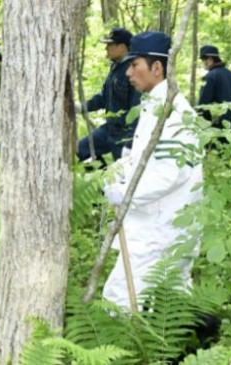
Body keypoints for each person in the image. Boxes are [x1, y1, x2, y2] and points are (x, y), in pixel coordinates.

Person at [101, 31, 203, 310]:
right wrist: (119, 168)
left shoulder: (174, 113)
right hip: (159, 225)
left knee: (121, 299)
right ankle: (187, 350)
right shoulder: (155, 106)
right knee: (171, 309)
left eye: (135, 66)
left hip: (160, 229)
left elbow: (169, 173)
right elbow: (144, 156)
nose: (129, 73)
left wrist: (122, 193)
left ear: (156, 68)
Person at [76, 27, 141, 163]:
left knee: (122, 171)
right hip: (109, 129)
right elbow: (104, 98)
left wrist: (131, 140)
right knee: (82, 149)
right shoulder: (115, 68)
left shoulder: (134, 70)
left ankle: (112, 181)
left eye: (110, 45)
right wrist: (81, 107)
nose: (106, 48)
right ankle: (102, 180)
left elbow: (137, 108)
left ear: (122, 47)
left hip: (124, 133)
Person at [197, 44, 231, 128]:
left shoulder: (210, 77)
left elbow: (204, 105)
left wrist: (203, 124)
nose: (203, 62)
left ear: (210, 59)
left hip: (219, 129)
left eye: (204, 59)